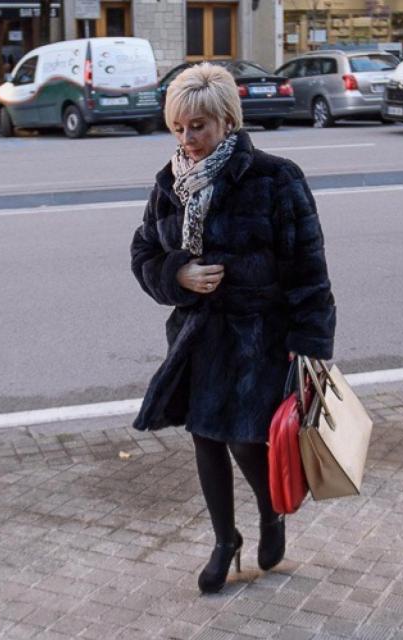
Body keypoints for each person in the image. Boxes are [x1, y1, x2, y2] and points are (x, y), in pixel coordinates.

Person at [130, 63, 335, 594]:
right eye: (178, 127)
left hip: (259, 338)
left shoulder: (274, 178)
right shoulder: (169, 183)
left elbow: (308, 269)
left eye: (198, 125)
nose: (187, 138)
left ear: (227, 120)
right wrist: (178, 274)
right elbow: (144, 252)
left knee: (248, 441)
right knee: (205, 438)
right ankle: (226, 540)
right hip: (198, 337)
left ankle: (271, 514)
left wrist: (310, 347)